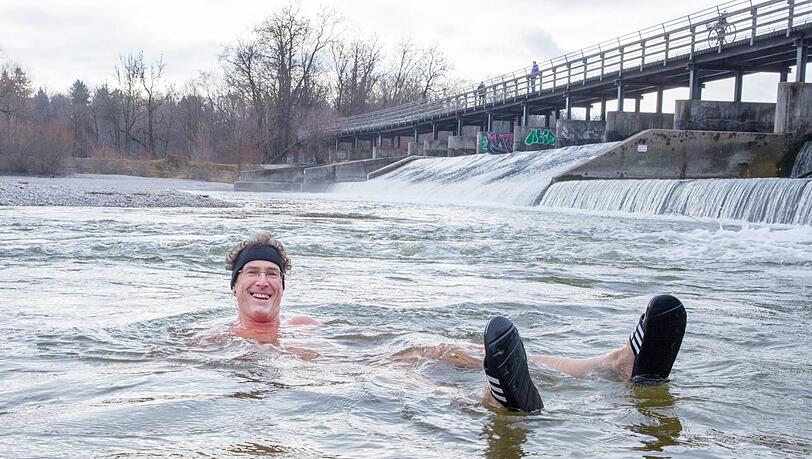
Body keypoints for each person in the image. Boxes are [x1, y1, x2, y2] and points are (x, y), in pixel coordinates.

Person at [224, 232, 687, 412]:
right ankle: (493, 400)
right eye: (252, 273)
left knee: (444, 347)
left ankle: (612, 364)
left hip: (376, 356)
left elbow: (353, 339)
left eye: (272, 273)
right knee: (402, 380)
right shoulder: (218, 339)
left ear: (283, 285)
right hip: (349, 379)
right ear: (235, 286)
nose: (263, 281)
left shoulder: (305, 322)